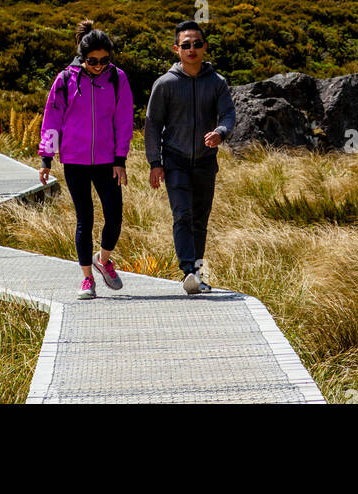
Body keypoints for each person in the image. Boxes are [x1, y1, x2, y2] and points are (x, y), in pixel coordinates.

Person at [38, 23, 133, 299]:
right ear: (82, 57)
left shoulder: (117, 79)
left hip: (107, 161)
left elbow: (124, 120)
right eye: (93, 61)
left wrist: (120, 159)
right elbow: (52, 119)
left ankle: (103, 260)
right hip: (75, 161)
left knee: (115, 215)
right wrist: (46, 158)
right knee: (85, 219)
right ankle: (87, 279)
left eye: (105, 61)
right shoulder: (65, 79)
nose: (99, 66)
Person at [145, 20, 235, 294]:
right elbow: (152, 124)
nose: (192, 49)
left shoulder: (217, 82)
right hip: (175, 160)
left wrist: (221, 132)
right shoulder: (165, 84)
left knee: (200, 219)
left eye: (197, 44)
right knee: (182, 213)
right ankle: (188, 271)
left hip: (206, 162)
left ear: (205, 47)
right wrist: (155, 163)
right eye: (186, 45)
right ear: (177, 49)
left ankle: (197, 275)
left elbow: (229, 114)